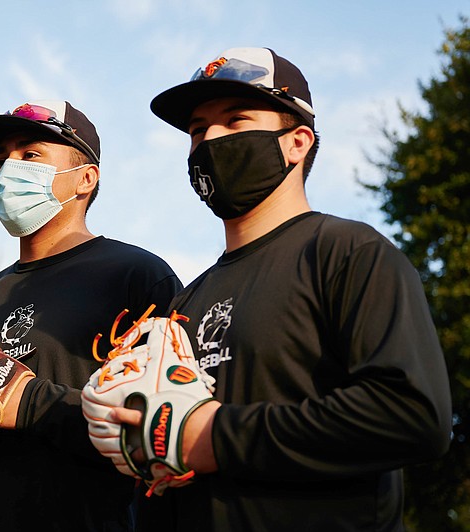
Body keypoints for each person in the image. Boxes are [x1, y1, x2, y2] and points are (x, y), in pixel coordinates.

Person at [108, 47, 453, 531]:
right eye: (198, 130)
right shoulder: (185, 300)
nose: (211, 140)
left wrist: (216, 437)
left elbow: (412, 413)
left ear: (297, 142)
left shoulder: (348, 252)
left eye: (235, 119)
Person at [0, 100, 182, 531]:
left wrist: (24, 400)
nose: (7, 170)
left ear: (86, 179)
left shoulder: (136, 276)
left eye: (30, 154)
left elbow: (157, 428)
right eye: (1, 160)